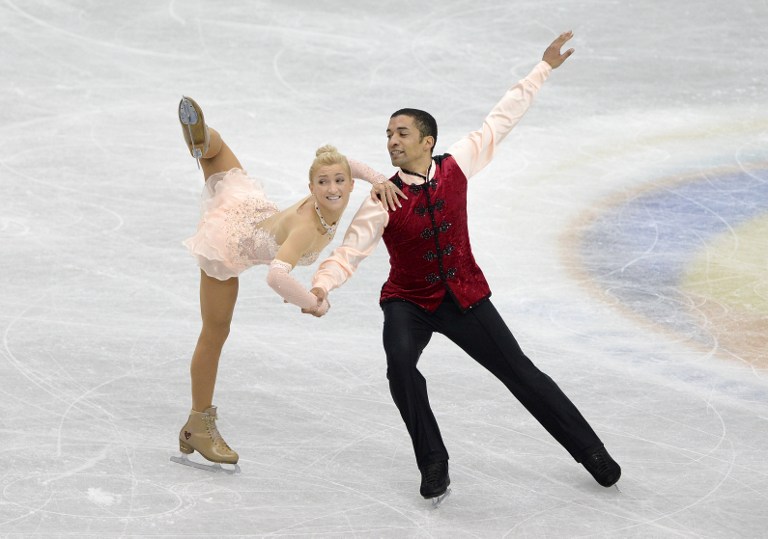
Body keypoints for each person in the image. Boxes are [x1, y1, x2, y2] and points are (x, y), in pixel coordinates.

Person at [306, 32, 622, 500]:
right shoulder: (382, 199)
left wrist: (543, 68)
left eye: (401, 133)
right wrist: (322, 285)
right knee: (400, 368)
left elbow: (501, 120)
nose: (392, 141)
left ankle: (591, 451)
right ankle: (433, 462)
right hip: (409, 302)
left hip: (465, 296)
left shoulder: (456, 165)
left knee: (521, 372)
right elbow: (348, 252)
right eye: (388, 134)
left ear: (427, 140)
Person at [173, 96, 402, 470]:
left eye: (340, 180)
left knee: (217, 156)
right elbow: (277, 276)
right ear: (311, 186)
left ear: (350, 183)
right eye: (323, 182)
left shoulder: (337, 184)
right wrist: (312, 302)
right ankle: (197, 424)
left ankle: (204, 139)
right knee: (214, 333)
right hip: (228, 245)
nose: (333, 188)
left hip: (249, 210)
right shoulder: (306, 228)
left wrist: (379, 180)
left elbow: (349, 165)